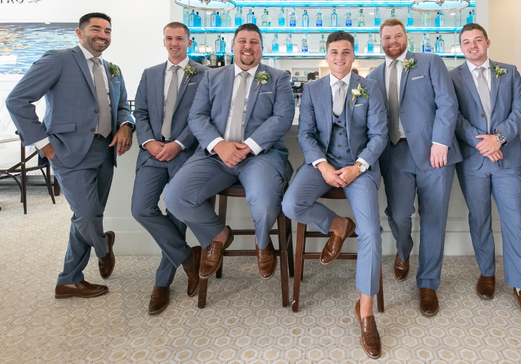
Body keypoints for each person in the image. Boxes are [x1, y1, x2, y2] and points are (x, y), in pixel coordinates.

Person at [6, 12, 134, 299]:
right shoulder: (59, 59)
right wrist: (43, 144)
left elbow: (123, 105)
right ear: (79, 32)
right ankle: (103, 247)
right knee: (88, 215)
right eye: (96, 29)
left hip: (105, 151)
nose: (102, 35)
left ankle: (68, 280)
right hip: (67, 151)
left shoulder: (112, 69)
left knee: (85, 216)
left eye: (108, 31)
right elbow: (16, 100)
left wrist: (126, 125)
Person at [281, 31, 388, 359]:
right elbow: (306, 133)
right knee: (290, 204)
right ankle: (338, 225)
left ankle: (366, 312)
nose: (339, 57)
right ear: (325, 56)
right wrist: (323, 166)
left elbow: (379, 135)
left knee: (371, 231)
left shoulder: (371, 88)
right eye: (333, 52)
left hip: (360, 168)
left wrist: (358, 167)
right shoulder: (312, 89)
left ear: (353, 56)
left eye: (345, 52)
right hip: (321, 165)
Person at [165, 24, 294, 282]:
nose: (248, 46)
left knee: (266, 200)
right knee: (174, 197)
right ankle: (218, 235)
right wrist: (219, 145)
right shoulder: (212, 77)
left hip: (260, 156)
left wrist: (249, 146)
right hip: (215, 156)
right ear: (232, 46)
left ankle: (262, 242)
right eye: (242, 41)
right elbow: (197, 115)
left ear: (261, 47)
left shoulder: (278, 78)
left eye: (254, 42)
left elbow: (283, 117)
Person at [370, 18, 461, 316]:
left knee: (434, 217)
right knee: (397, 215)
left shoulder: (430, 62)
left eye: (397, 35)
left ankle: (428, 284)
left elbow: (448, 104)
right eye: (387, 37)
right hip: (394, 154)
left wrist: (441, 142)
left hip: (435, 153)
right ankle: (403, 249)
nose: (392, 41)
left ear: (406, 37)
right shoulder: (372, 76)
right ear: (379, 41)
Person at [450, 23, 521, 322]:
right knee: (479, 218)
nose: (472, 45)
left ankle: (520, 286)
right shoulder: (453, 77)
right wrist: (482, 143)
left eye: (477, 40)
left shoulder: (509, 72)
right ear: (460, 47)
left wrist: (498, 138)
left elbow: (520, 110)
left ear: (487, 42)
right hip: (473, 160)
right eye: (466, 42)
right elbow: (455, 117)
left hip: (507, 158)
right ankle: (486, 272)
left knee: (515, 222)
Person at [131, 22, 208, 315]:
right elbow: (140, 112)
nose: (174, 43)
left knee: (176, 215)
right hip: (152, 152)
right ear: (163, 41)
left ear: (190, 41)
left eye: (179, 38)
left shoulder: (205, 75)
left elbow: (204, 115)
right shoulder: (150, 74)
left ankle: (161, 283)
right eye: (169, 38)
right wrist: (149, 142)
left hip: (184, 154)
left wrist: (179, 143)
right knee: (141, 209)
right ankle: (189, 258)